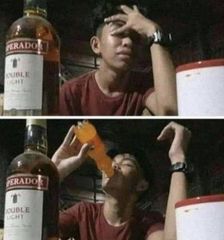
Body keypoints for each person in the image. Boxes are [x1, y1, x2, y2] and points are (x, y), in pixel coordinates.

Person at [52, 121, 191, 240]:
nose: (114, 165)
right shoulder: (84, 213)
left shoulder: (148, 222)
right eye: (113, 160)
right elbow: (36, 231)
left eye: (127, 163)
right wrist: (55, 174)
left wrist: (178, 158)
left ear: (141, 185)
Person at [59, 2, 177, 116]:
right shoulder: (71, 92)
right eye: (119, 33)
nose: (129, 42)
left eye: (135, 37)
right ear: (96, 45)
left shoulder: (144, 85)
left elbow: (170, 111)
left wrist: (154, 31)